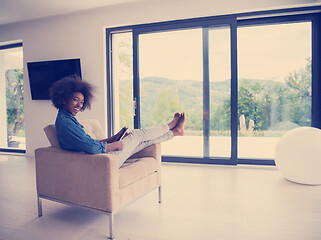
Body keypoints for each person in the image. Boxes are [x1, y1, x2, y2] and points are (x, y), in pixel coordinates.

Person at [49, 75, 186, 167]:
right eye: (75, 100)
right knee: (137, 135)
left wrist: (114, 138)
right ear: (64, 99)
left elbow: (88, 143)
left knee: (141, 141)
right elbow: (91, 148)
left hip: (103, 156)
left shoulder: (68, 119)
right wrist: (116, 145)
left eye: (82, 102)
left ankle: (174, 132)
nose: (79, 105)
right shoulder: (65, 123)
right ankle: (170, 125)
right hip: (104, 160)